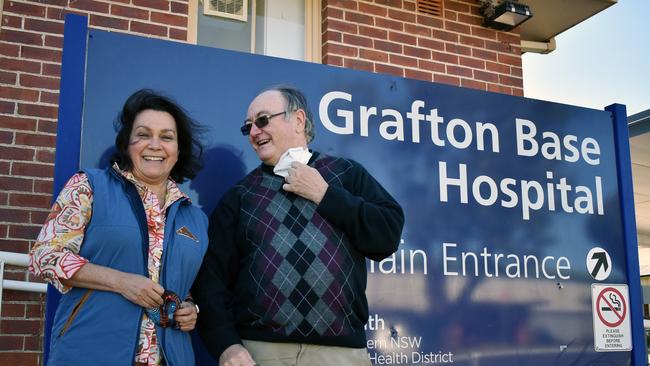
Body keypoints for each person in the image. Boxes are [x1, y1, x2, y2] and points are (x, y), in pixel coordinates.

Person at [192, 86, 404, 366]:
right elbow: (211, 282)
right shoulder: (240, 197)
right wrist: (226, 345)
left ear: (299, 120)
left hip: (340, 355)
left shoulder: (346, 174)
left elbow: (386, 237)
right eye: (248, 127)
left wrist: (324, 194)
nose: (254, 132)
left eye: (263, 120)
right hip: (262, 354)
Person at [29, 89, 208, 366]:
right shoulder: (88, 186)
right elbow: (45, 257)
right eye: (143, 134)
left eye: (167, 137)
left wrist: (189, 308)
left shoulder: (196, 219)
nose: (155, 145)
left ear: (178, 148)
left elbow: (187, 284)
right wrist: (121, 282)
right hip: (90, 353)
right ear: (127, 143)